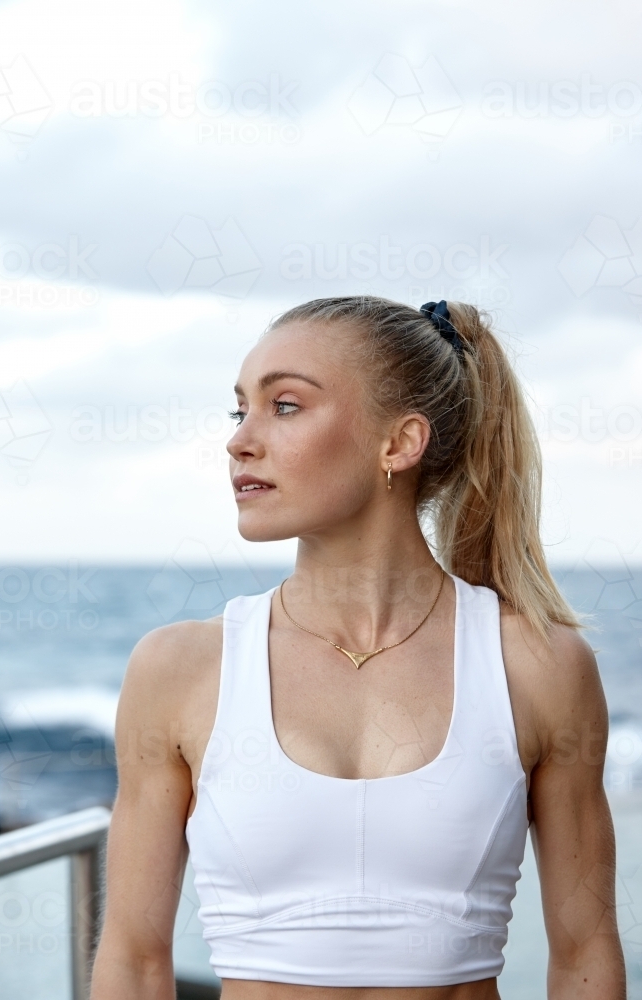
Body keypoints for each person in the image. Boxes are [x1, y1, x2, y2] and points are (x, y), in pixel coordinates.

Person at [91, 297, 626, 1000]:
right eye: (238, 410)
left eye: (283, 406)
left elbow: (584, 948)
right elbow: (133, 958)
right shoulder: (180, 669)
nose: (239, 440)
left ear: (398, 443)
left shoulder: (536, 664)